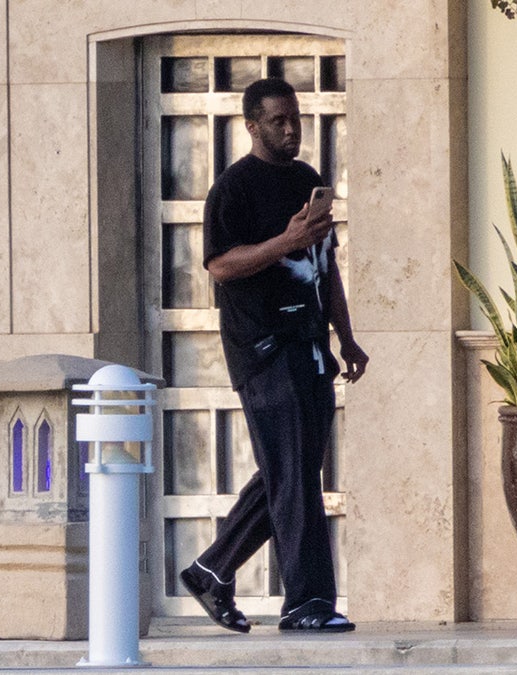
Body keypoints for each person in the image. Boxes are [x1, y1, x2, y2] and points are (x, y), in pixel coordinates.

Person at [179, 77, 369, 634]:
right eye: (279, 121)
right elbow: (219, 266)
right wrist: (284, 242)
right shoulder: (232, 190)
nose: (291, 129)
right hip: (262, 351)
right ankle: (307, 603)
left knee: (292, 472)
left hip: (310, 348)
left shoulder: (308, 180)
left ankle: (211, 569)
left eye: (296, 118)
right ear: (252, 126)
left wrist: (346, 336)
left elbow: (325, 265)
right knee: (293, 476)